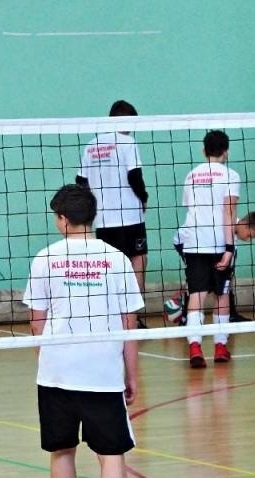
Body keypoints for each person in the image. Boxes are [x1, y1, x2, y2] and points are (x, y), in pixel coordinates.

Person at [25, 183, 148, 478]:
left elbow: (37, 322)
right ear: (92, 217)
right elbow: (129, 325)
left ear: (62, 219)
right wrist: (132, 375)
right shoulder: (117, 259)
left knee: (62, 452)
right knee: (111, 456)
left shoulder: (45, 258)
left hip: (57, 374)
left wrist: (50, 360)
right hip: (102, 374)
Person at [178, 130, 249, 369]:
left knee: (196, 295)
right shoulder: (230, 175)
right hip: (219, 243)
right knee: (222, 295)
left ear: (203, 151)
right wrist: (229, 248)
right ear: (226, 151)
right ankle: (220, 346)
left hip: (194, 243)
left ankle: (195, 347)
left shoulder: (191, 175)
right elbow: (228, 211)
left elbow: (190, 208)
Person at [77, 100, 151, 322]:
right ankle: (134, 319)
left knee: (109, 268)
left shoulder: (91, 145)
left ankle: (111, 318)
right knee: (138, 261)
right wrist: (144, 198)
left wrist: (92, 208)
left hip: (103, 221)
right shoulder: (128, 143)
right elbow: (134, 176)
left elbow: (80, 181)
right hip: (130, 217)